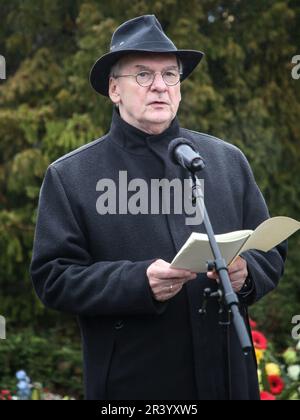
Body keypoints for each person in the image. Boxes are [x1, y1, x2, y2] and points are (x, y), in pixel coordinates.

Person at [30, 15, 287, 400]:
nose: (160, 87)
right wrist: (137, 282)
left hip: (229, 378)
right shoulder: (71, 175)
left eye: (170, 74)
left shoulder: (227, 160)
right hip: (135, 383)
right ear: (114, 89)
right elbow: (53, 278)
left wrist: (245, 275)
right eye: (143, 75)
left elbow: (270, 251)